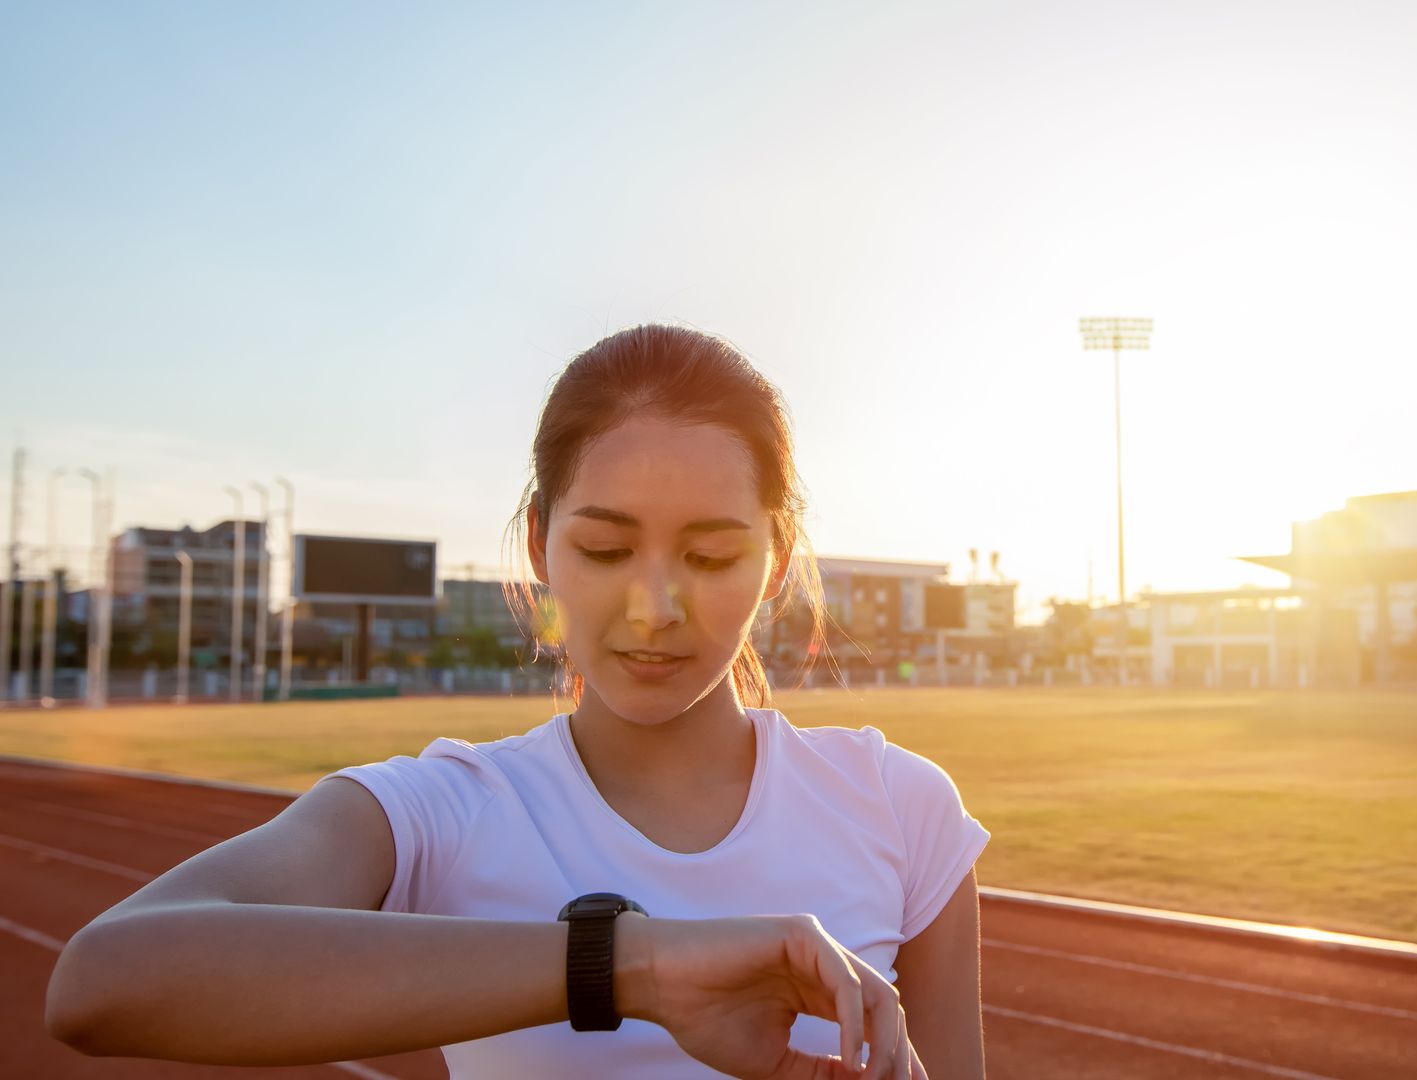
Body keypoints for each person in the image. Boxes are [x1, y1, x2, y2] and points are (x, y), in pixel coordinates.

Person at [45, 324, 991, 1079]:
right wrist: (632, 967)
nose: (654, 608)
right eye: (606, 549)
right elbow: (104, 981)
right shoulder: (441, 813)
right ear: (541, 544)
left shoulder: (901, 809)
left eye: (710, 556)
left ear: (776, 561)